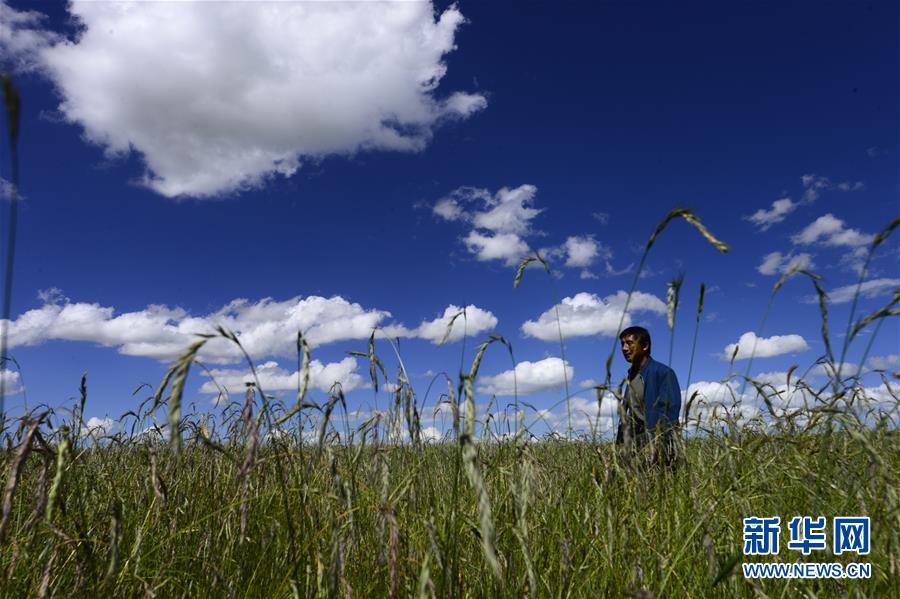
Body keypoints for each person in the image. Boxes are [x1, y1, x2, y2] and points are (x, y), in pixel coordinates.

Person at [615, 326, 681, 467]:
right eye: (622, 344)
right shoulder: (631, 377)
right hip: (633, 448)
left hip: (655, 451)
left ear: (644, 346)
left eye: (629, 343)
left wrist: (654, 445)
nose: (624, 348)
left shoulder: (663, 373)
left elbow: (669, 414)